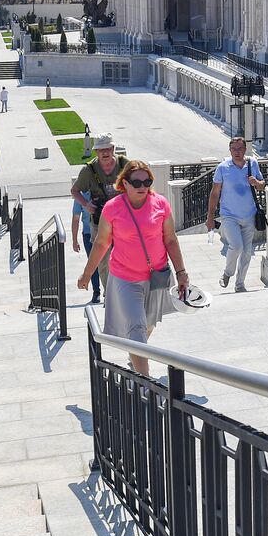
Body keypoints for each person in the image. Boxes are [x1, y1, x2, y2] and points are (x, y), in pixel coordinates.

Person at [75, 161, 189, 376]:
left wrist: (182, 272)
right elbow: (101, 243)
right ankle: (145, 385)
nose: (142, 186)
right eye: (136, 181)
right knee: (136, 329)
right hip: (125, 278)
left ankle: (136, 353)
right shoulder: (113, 208)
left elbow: (171, 240)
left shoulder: (160, 204)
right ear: (124, 183)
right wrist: (87, 274)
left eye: (147, 181)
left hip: (157, 276)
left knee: (148, 324)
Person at [205, 136, 264, 292]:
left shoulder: (253, 164)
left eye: (240, 149)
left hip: (249, 214)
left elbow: (262, 185)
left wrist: (257, 183)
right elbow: (214, 193)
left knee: (246, 252)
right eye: (234, 149)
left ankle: (240, 284)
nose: (237, 152)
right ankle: (227, 273)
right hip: (229, 215)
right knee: (236, 246)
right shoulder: (223, 168)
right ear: (230, 150)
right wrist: (210, 217)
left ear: (245, 150)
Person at [71, 134, 127, 296]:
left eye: (108, 149)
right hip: (100, 221)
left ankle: (126, 288)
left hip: (124, 219)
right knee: (103, 258)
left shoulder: (125, 165)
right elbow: (75, 191)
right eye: (101, 150)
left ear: (113, 149)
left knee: (128, 252)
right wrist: (86, 204)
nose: (105, 153)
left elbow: (141, 182)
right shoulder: (89, 171)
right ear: (96, 152)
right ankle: (109, 293)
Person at [71, 186, 101, 304]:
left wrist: (74, 240)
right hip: (101, 232)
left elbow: (76, 219)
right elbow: (76, 219)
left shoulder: (80, 197)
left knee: (92, 262)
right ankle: (106, 291)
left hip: (89, 234)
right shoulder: (100, 191)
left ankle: (96, 292)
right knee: (107, 263)